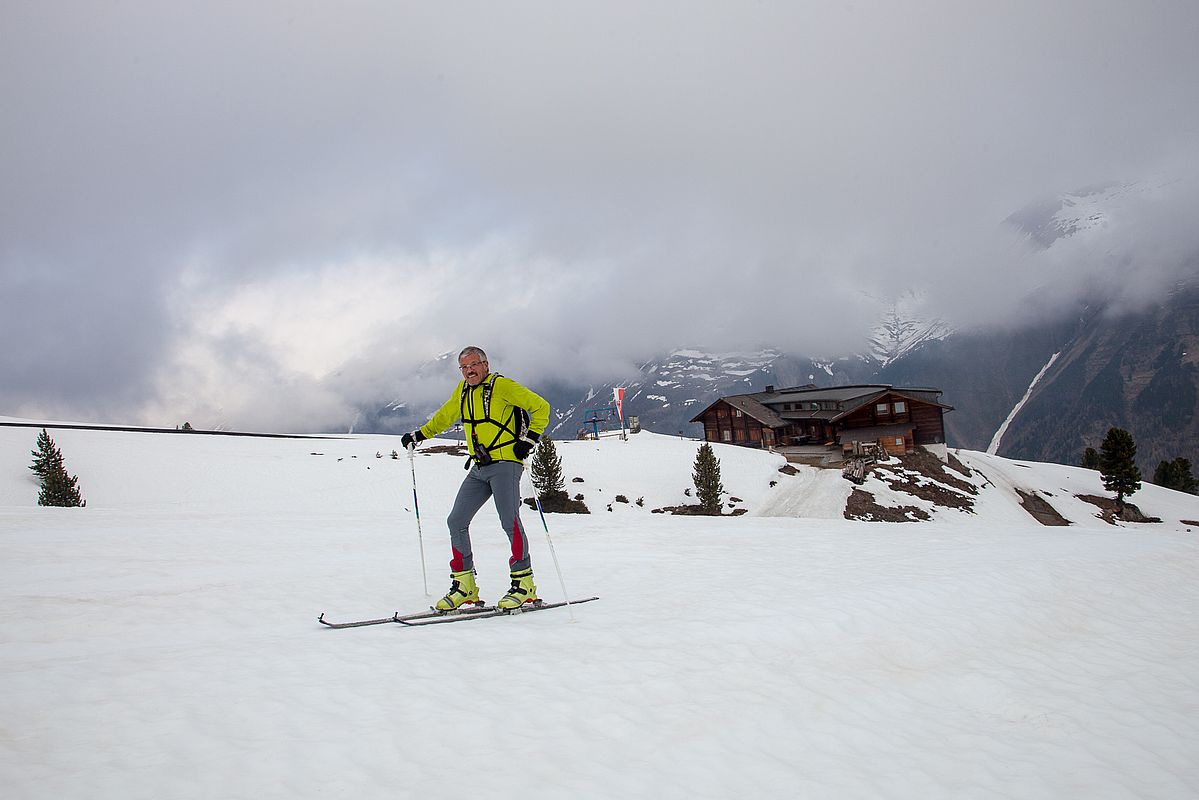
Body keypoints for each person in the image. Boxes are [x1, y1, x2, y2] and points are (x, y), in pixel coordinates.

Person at [401, 346, 550, 611]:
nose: (469, 371)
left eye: (473, 365)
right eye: (464, 367)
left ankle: (524, 583)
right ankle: (464, 585)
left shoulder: (503, 386)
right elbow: (444, 417)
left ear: (485, 364)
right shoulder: (463, 391)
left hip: (506, 464)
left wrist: (528, 440)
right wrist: (419, 435)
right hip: (480, 467)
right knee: (456, 520)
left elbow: (540, 407)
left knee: (510, 522)